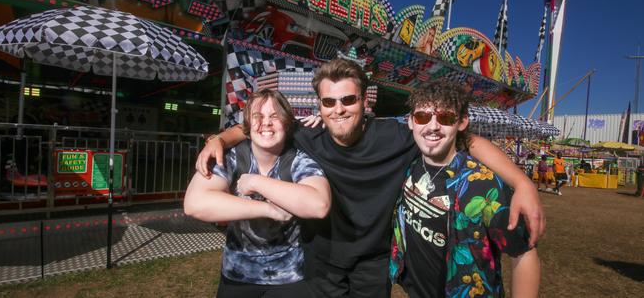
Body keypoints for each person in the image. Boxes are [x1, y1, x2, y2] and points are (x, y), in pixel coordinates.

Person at [196, 58, 545, 298]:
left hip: (375, 263)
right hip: (321, 260)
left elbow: (471, 141)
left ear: (364, 100)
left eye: (348, 99)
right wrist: (218, 140)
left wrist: (523, 183)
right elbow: (258, 127)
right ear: (318, 106)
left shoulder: (400, 133)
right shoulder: (307, 135)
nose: (338, 109)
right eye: (328, 102)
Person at [390, 79, 540, 297]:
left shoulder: (484, 185)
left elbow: (524, 254)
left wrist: (523, 183)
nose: (432, 126)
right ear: (411, 121)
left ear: (461, 122)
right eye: (422, 116)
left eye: (446, 117)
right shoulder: (409, 161)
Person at [184, 89, 331, 298]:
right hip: (237, 275)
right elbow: (195, 204)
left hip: (289, 277)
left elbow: (319, 205)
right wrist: (269, 209)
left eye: (275, 116)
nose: (266, 123)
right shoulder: (231, 157)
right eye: (258, 116)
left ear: (287, 124)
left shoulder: (298, 159)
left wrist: (255, 182)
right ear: (247, 125)